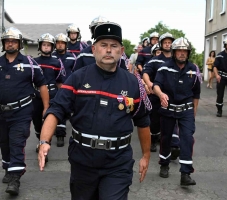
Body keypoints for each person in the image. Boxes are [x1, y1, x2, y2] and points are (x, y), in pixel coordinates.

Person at [38, 22, 151, 199]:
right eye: (103, 45)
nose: (108, 50)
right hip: (83, 160)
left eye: (113, 46)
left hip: (118, 162)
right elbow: (56, 110)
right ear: (93, 49)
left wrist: (145, 155)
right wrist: (44, 141)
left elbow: (143, 121)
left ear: (121, 51)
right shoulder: (78, 78)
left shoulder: (132, 83)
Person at [0, 27, 49, 195]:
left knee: (17, 142)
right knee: (5, 142)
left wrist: (46, 106)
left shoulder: (30, 64)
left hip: (22, 112)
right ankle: (8, 168)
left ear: (19, 43)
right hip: (1, 112)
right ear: (3, 44)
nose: (10, 43)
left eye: (14, 41)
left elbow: (42, 85)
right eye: (7, 41)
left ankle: (15, 178)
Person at [153, 37, 201, 186]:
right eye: (179, 50)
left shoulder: (193, 69)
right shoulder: (164, 68)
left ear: (188, 53)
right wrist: (161, 95)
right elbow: (156, 85)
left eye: (184, 50)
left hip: (186, 110)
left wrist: (193, 114)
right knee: (166, 138)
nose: (182, 53)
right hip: (168, 109)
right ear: (174, 52)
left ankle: (185, 173)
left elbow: (196, 94)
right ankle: (164, 164)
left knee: (187, 138)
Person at [142, 32, 179, 156]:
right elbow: (145, 73)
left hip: (172, 97)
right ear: (161, 44)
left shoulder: (177, 60)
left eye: (170, 43)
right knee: (155, 121)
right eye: (165, 42)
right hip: (155, 96)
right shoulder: (155, 60)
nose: (168, 45)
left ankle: (173, 146)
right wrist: (149, 84)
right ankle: (153, 140)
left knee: (172, 120)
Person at [32, 33, 63, 156]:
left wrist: (61, 95)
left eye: (48, 45)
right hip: (36, 95)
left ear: (52, 47)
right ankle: (40, 140)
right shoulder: (33, 62)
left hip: (52, 95)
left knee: (48, 119)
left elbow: (59, 81)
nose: (46, 47)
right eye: (44, 45)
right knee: (37, 121)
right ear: (40, 46)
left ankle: (45, 144)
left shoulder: (57, 62)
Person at [51, 33, 76, 147]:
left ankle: (61, 134)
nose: (60, 45)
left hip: (67, 88)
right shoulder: (51, 56)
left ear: (66, 44)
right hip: (53, 88)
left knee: (66, 110)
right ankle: (56, 133)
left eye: (62, 43)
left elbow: (76, 72)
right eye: (58, 43)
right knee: (55, 109)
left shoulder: (72, 57)